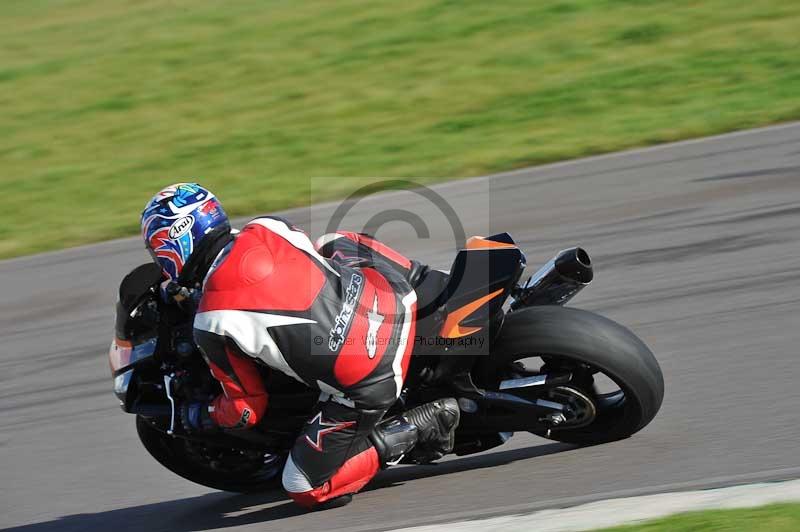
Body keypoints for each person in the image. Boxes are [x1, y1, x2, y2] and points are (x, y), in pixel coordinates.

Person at [140, 183, 460, 509]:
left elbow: (247, 410)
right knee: (333, 242)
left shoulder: (210, 322)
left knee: (304, 486)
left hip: (373, 376)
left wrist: (203, 414)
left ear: (174, 242)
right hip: (395, 295)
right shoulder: (267, 226)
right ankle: (434, 281)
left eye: (157, 251)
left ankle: (416, 427)